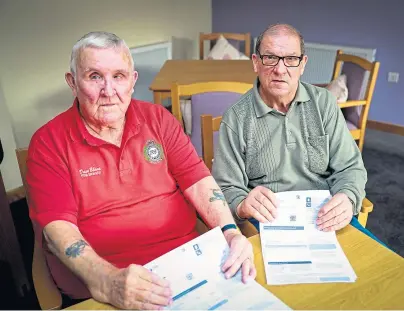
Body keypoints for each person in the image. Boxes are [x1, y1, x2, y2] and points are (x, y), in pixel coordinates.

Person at [26, 31, 255, 310]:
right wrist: (107, 281)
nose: (109, 91)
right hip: (101, 284)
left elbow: (199, 183)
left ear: (133, 82)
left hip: (185, 265)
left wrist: (230, 233)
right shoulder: (48, 142)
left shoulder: (159, 119)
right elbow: (57, 229)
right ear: (73, 83)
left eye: (119, 76)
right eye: (95, 76)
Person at [212, 23, 369, 233]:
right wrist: (242, 205)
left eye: (291, 59)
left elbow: (350, 167)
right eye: (270, 58)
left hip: (326, 218)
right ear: (256, 63)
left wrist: (347, 196)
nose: (280, 69)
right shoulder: (236, 119)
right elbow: (227, 187)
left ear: (302, 64)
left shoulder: (324, 103)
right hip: (267, 221)